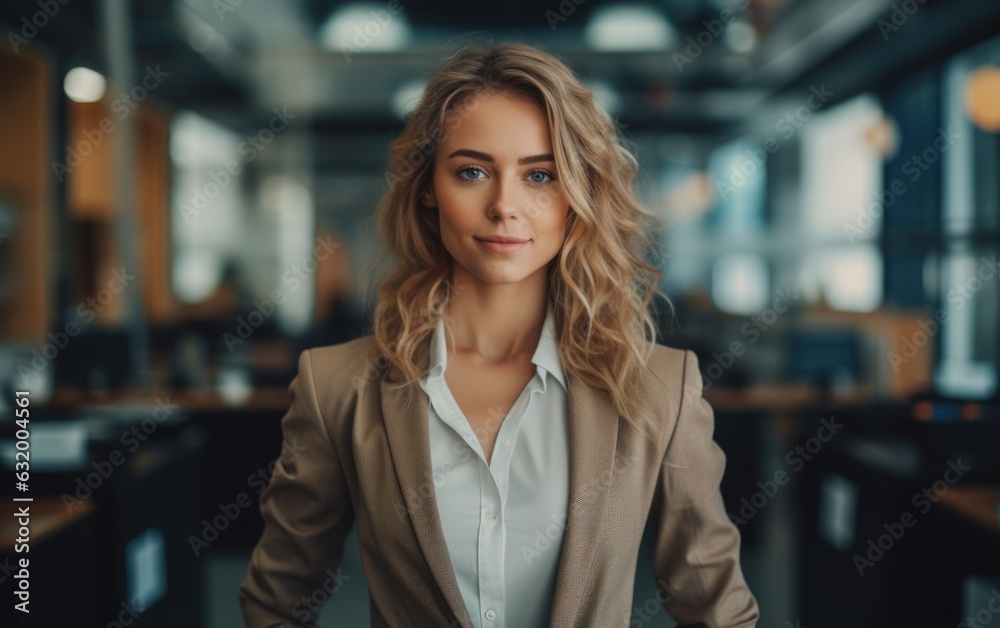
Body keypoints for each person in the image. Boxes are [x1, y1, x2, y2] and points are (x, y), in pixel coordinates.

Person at [238, 40, 759, 627]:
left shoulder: (661, 388)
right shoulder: (337, 386)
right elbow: (276, 602)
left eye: (540, 175)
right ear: (429, 189)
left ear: (577, 195)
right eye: (472, 171)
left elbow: (717, 611)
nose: (505, 205)